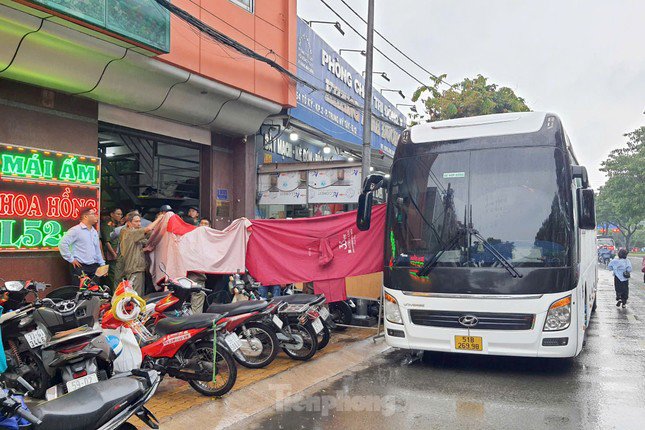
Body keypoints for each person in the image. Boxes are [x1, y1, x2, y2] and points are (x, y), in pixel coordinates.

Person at [59, 207, 105, 286]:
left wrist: (102, 264)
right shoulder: (76, 230)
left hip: (94, 265)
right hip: (80, 266)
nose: (96, 216)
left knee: (95, 290)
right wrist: (71, 259)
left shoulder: (94, 231)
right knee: (80, 291)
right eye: (93, 214)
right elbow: (62, 244)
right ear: (85, 216)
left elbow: (97, 249)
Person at [119, 211, 162, 296]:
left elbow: (148, 235)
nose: (139, 224)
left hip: (138, 268)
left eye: (139, 221)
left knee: (139, 294)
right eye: (136, 221)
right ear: (129, 223)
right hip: (134, 269)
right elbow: (148, 229)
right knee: (135, 295)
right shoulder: (129, 233)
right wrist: (159, 219)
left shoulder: (134, 233)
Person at [101, 207, 122, 288]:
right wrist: (114, 254)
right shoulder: (107, 225)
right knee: (113, 275)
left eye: (121, 214)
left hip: (117, 253)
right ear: (112, 214)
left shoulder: (116, 225)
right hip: (111, 255)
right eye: (118, 214)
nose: (120, 216)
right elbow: (107, 242)